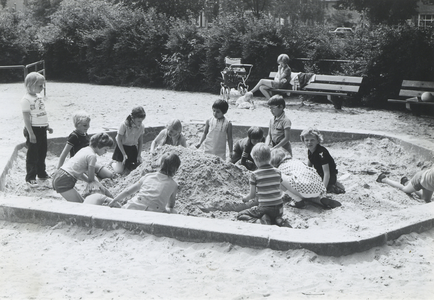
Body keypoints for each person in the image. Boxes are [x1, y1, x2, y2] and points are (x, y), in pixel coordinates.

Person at [237, 143, 291, 227]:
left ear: (255, 159)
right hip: (279, 208)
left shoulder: (254, 175)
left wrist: (244, 199)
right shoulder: (278, 172)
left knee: (240, 215)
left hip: (265, 208)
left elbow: (252, 195)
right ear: (270, 157)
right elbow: (279, 188)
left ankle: (259, 221)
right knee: (275, 214)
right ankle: (278, 219)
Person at [108, 152, 181, 213]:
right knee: (173, 212)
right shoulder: (173, 185)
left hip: (133, 207)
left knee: (132, 204)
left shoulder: (147, 176)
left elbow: (128, 191)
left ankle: (120, 208)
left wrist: (115, 200)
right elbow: (171, 205)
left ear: (160, 164)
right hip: (154, 213)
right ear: (175, 169)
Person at [52, 132, 114, 203]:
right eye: (105, 149)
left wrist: (90, 181)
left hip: (60, 174)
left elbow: (79, 173)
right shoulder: (92, 156)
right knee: (81, 206)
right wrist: (101, 188)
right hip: (65, 180)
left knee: (82, 202)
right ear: (98, 145)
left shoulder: (85, 150)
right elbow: (91, 178)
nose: (106, 152)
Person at [270, 148, 341, 209]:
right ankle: (319, 200)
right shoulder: (297, 161)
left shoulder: (281, 167)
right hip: (318, 188)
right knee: (305, 187)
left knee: (277, 177)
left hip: (303, 189)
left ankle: (298, 200)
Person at [57, 111, 113, 179]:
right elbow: (64, 153)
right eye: (85, 125)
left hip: (88, 162)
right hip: (79, 165)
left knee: (109, 174)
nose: (88, 127)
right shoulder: (74, 136)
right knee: (94, 180)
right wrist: (58, 169)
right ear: (77, 124)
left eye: (88, 124)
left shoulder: (85, 134)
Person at [21, 72, 53, 187]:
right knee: (33, 154)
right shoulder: (26, 99)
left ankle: (41, 173)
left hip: (42, 129)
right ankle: (30, 177)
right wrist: (31, 133)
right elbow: (26, 118)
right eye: (40, 85)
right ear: (30, 85)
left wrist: (47, 126)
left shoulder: (38, 97)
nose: (42, 87)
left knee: (42, 152)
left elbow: (41, 113)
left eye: (43, 85)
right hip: (33, 130)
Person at [300, 128, 345, 194]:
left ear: (318, 141)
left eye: (312, 140)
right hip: (319, 173)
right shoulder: (310, 150)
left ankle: (332, 186)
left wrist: (323, 190)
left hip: (328, 176)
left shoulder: (321, 152)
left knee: (317, 188)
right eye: (306, 140)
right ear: (303, 141)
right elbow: (309, 166)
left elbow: (327, 173)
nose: (309, 142)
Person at [112, 106, 146, 173]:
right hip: (122, 148)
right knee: (119, 170)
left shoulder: (141, 126)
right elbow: (118, 140)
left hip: (132, 148)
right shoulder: (124, 125)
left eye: (141, 121)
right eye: (138, 121)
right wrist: (124, 154)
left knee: (137, 166)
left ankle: (127, 163)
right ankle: (113, 163)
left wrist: (139, 155)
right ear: (133, 118)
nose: (140, 123)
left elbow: (140, 141)